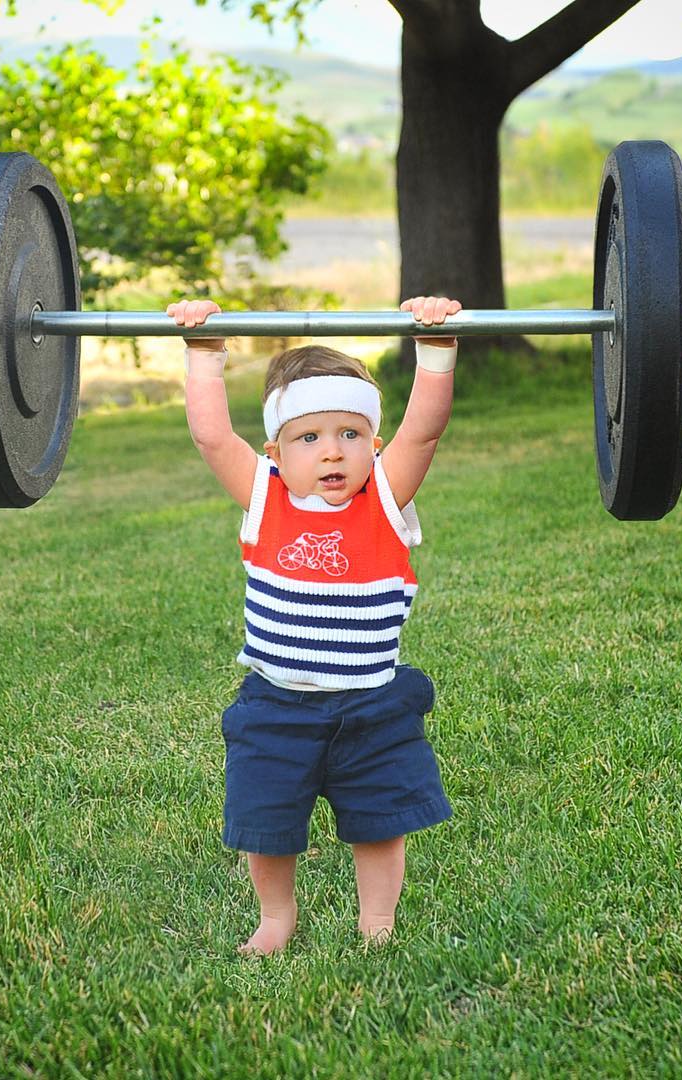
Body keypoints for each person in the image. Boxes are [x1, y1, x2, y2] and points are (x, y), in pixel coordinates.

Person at [169, 294, 461, 956]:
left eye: (350, 434)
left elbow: (425, 431)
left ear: (373, 445)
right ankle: (276, 917)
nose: (332, 453)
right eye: (310, 437)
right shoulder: (265, 495)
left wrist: (435, 347)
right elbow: (213, 436)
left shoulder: (384, 497)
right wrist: (204, 354)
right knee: (265, 823)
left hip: (372, 704)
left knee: (380, 822)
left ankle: (377, 923)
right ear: (276, 450)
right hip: (278, 704)